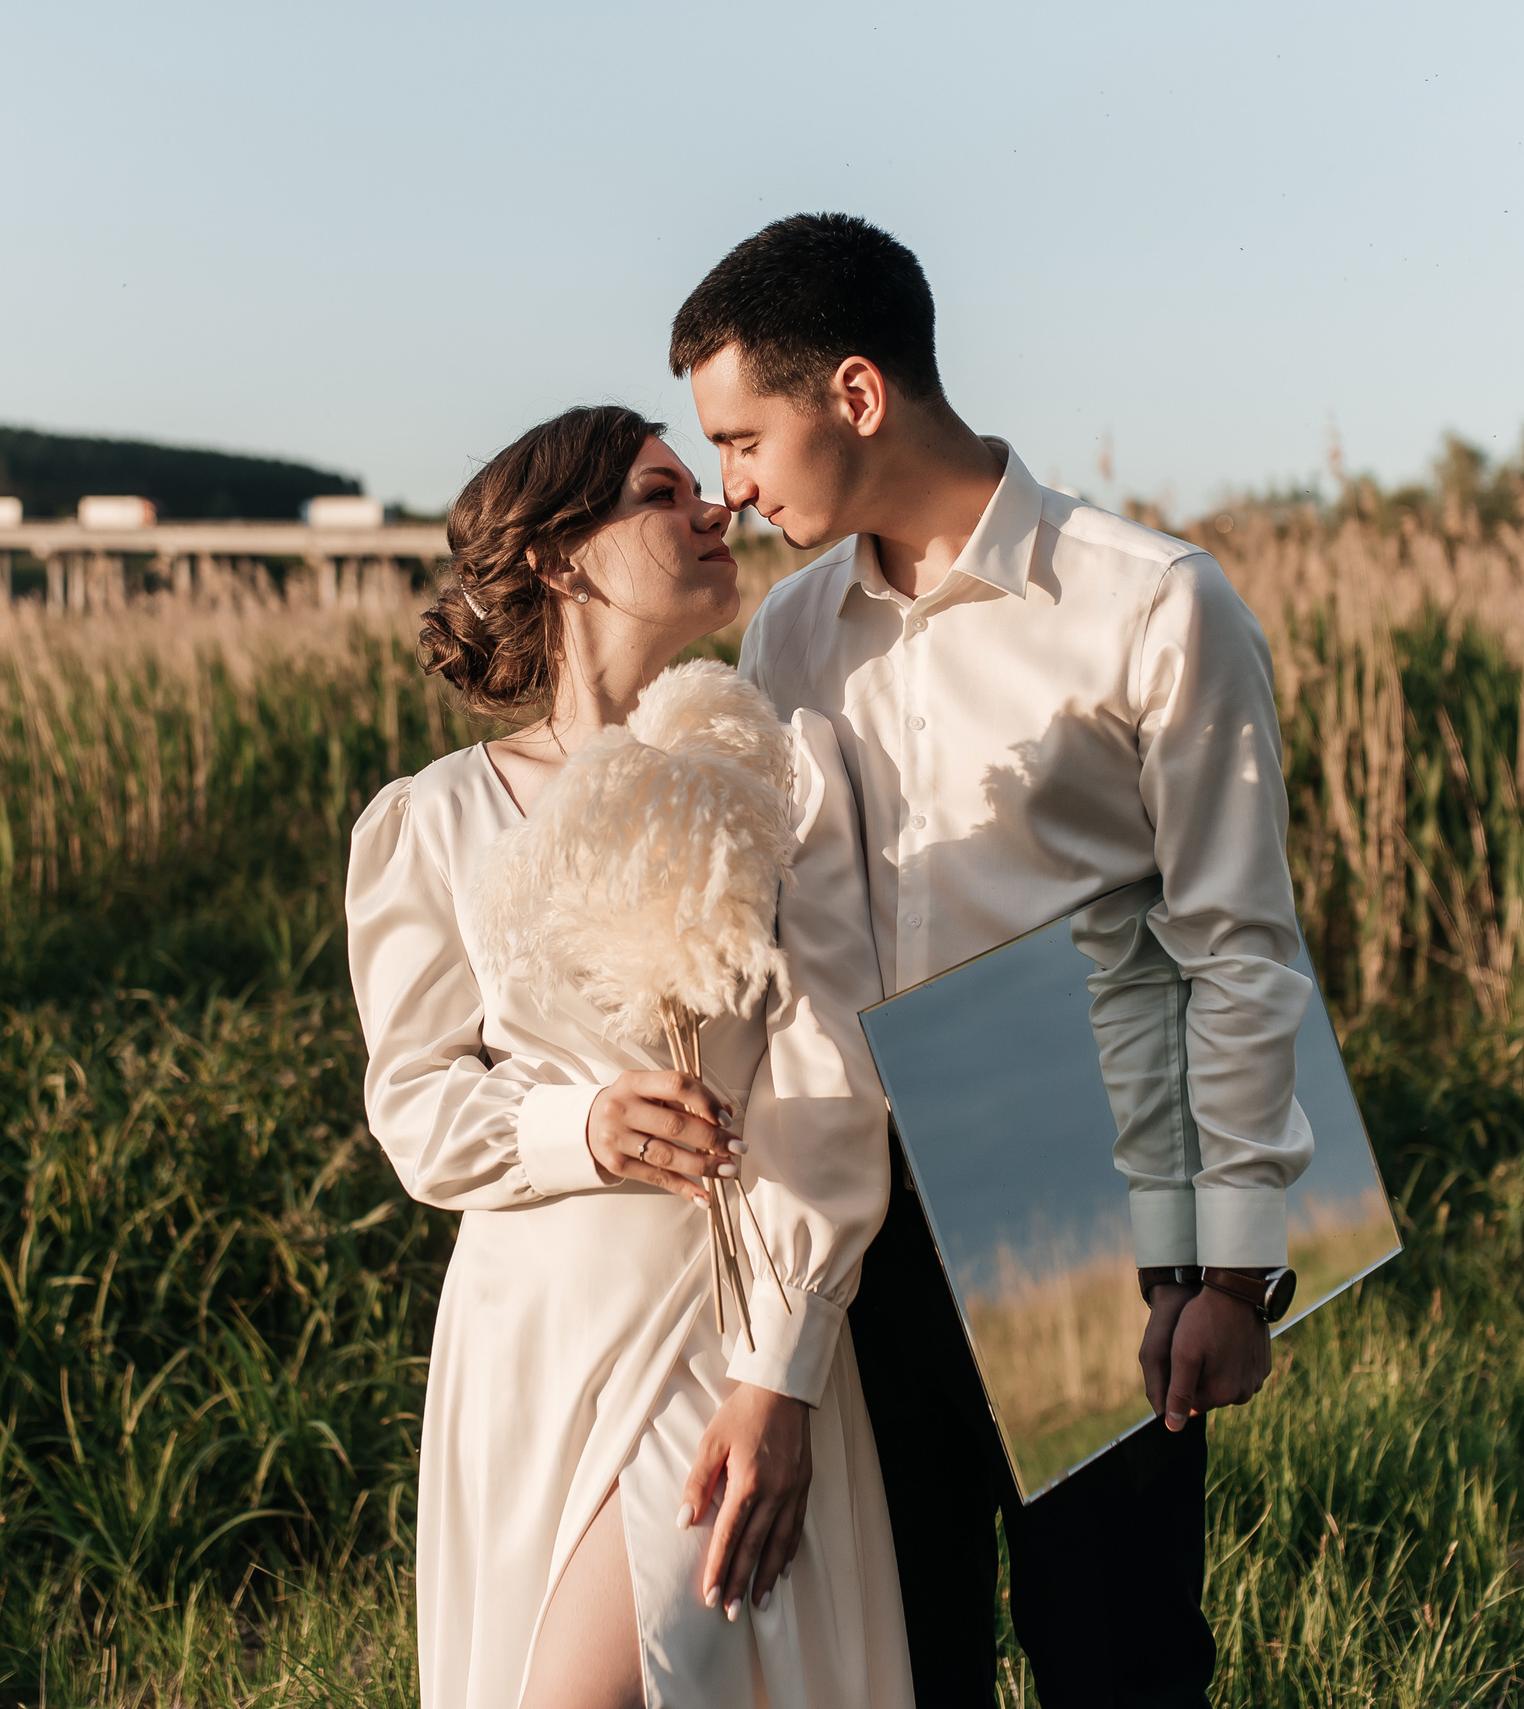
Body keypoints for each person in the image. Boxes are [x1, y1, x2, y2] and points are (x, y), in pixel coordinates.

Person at [674, 214, 1314, 1709]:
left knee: (1119, 1655)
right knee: (910, 1653)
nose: (731, 486)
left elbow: (1239, 938)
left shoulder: (1150, 599)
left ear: (853, 392)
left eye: (741, 436)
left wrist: (1233, 1267)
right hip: (863, 1216)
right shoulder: (786, 638)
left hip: (1081, 1197)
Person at [344, 404, 912, 1709]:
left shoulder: (778, 778)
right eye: (664, 492)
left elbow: (826, 1078)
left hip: (727, 1318)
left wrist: (784, 1361)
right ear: (558, 556)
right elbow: (416, 1103)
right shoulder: (431, 823)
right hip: (535, 1328)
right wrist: (577, 1126)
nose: (716, 507)